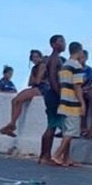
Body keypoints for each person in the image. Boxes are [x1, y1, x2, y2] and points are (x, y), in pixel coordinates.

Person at [52, 41, 86, 167]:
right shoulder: (76, 66)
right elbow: (77, 86)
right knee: (70, 133)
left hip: (63, 102)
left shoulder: (65, 65)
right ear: (80, 51)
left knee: (67, 132)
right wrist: (82, 103)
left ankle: (66, 158)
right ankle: (57, 154)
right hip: (72, 103)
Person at [0, 49, 47, 135]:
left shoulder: (42, 65)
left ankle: (12, 125)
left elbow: (38, 81)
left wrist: (35, 80)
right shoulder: (34, 68)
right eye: (33, 57)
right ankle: (12, 124)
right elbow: (30, 82)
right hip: (35, 88)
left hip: (41, 88)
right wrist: (35, 80)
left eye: (36, 57)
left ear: (40, 57)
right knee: (15, 101)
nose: (34, 59)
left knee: (18, 100)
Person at [37, 34, 66, 164]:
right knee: (52, 125)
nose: (63, 44)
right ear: (54, 44)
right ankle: (45, 156)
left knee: (52, 125)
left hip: (51, 93)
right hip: (54, 94)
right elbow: (53, 78)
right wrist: (59, 93)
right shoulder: (55, 59)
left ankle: (44, 155)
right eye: (61, 42)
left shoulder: (52, 59)